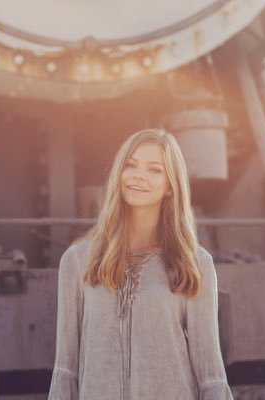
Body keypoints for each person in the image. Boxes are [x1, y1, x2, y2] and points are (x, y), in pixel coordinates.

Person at [48, 128, 233, 400]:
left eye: (154, 170)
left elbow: (210, 371)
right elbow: (66, 368)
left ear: (171, 185)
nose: (138, 175)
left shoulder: (194, 263)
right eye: (130, 165)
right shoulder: (78, 261)